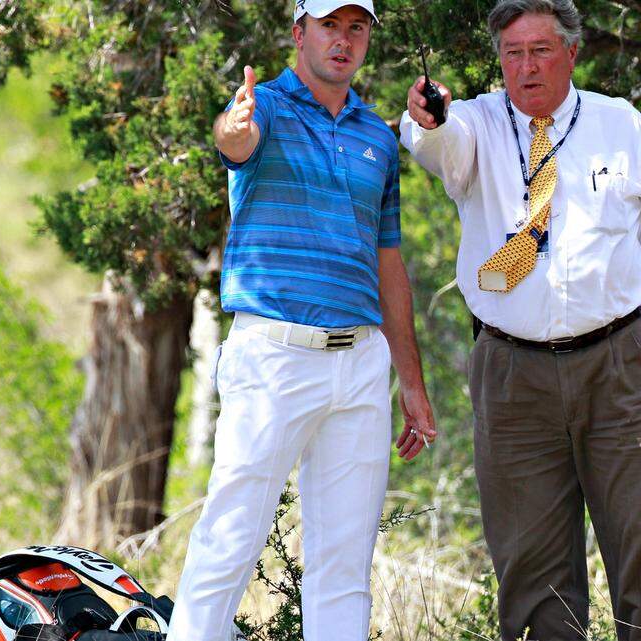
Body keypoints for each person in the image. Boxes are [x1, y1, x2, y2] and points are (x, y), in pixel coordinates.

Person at [399, 1, 641, 639]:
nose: (526, 67)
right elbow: (438, 144)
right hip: (513, 372)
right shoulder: (472, 125)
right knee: (532, 570)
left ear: (572, 53)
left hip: (622, 364)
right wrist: (429, 116)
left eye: (540, 50)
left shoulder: (620, 125)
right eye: (512, 53)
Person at [168, 2, 436, 640]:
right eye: (328, 26)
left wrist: (413, 383)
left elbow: (388, 264)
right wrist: (232, 126)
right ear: (299, 33)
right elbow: (234, 140)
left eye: (356, 28)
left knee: (345, 568)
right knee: (230, 539)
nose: (342, 41)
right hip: (275, 356)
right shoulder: (265, 108)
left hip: (363, 364)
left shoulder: (377, 135)